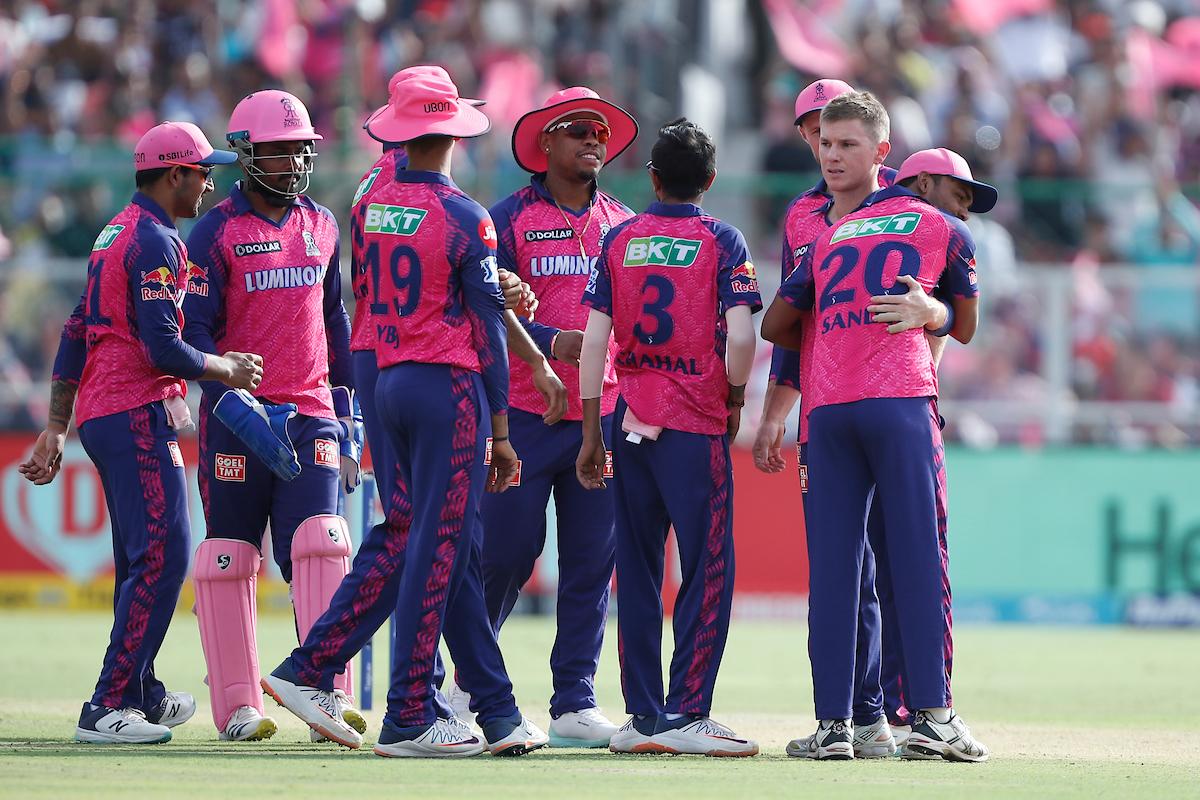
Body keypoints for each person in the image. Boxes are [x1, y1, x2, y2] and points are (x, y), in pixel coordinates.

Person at [262, 65, 549, 759]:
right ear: (452, 131)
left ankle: (494, 710)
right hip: (446, 385)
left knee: (427, 538)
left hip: (384, 373)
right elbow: (486, 330)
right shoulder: (465, 215)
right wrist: (503, 428)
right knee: (437, 543)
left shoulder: (371, 198)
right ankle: (410, 707)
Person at [19, 122, 259, 744]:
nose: (209, 184)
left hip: (107, 411)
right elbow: (162, 348)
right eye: (202, 172)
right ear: (174, 174)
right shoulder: (155, 241)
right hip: (133, 409)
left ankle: (141, 688)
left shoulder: (115, 232)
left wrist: (56, 425)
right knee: (165, 554)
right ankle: (108, 704)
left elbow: (77, 329)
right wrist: (224, 367)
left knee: (138, 559)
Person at [762, 130, 997, 762]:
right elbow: (965, 327)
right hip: (899, 402)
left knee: (835, 572)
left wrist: (839, 324)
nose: (964, 207)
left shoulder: (831, 233)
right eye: (959, 193)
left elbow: (775, 324)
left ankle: (836, 727)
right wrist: (932, 313)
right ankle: (933, 720)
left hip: (827, 411)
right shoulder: (944, 229)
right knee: (920, 558)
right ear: (920, 182)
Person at [182, 90, 363, 742]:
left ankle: (325, 695)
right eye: (281, 150)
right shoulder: (215, 232)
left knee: (322, 543)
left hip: (313, 414)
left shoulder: (323, 224)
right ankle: (237, 705)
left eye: (301, 149)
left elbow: (335, 323)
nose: (294, 162)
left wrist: (351, 419)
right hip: (236, 420)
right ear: (246, 154)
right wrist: (234, 403)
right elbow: (193, 336)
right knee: (228, 559)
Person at [576, 118, 760, 757]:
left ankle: (642, 717)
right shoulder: (722, 240)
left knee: (636, 569)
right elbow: (743, 336)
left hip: (628, 421)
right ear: (710, 179)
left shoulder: (619, 237)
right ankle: (687, 712)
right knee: (707, 567)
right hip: (694, 425)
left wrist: (592, 430)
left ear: (652, 178)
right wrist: (734, 397)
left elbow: (594, 342)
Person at [462, 86, 638, 748]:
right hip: (524, 415)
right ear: (545, 144)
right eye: (577, 130)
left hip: (604, 414)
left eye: (600, 132)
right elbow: (483, 307)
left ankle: (574, 702)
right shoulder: (505, 219)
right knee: (507, 552)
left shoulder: (624, 224)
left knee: (591, 562)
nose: (592, 140)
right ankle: (466, 683)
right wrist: (551, 341)